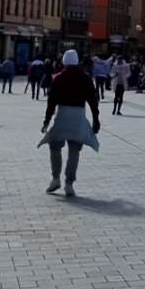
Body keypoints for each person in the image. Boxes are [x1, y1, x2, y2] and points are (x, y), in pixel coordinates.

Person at [40, 49, 100, 197]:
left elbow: (51, 101)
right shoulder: (85, 78)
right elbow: (93, 100)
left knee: (55, 146)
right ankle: (69, 183)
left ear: (65, 62)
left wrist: (47, 120)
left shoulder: (58, 78)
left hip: (63, 115)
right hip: (79, 115)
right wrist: (96, 119)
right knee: (74, 150)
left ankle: (55, 178)